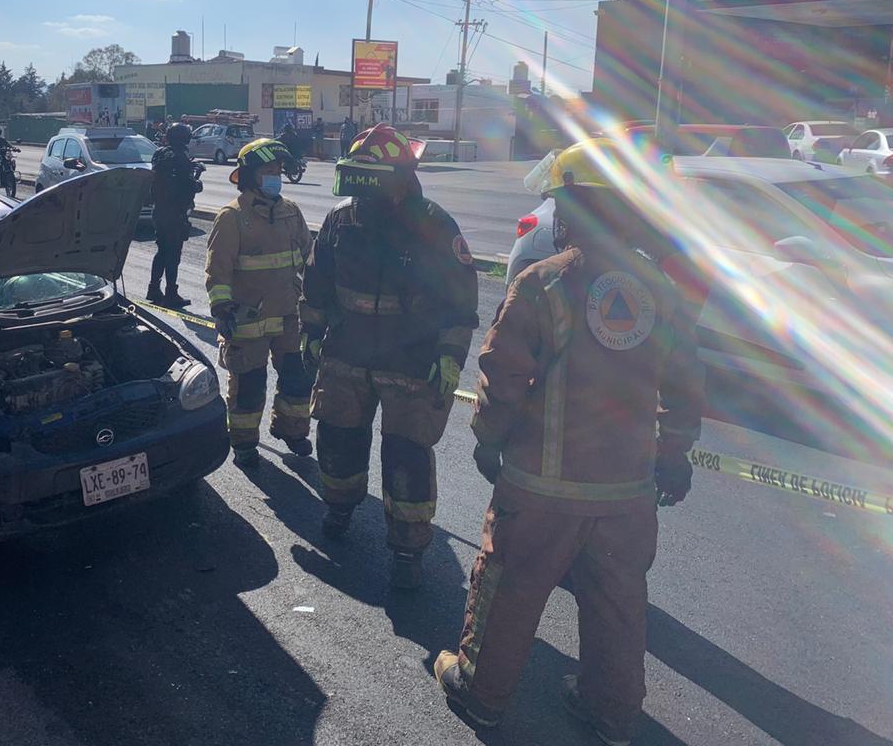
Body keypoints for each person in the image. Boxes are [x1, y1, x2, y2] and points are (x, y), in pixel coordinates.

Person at [434, 139, 704, 744]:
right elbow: (686, 385)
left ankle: (481, 695)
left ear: (578, 209)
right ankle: (611, 714)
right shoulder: (659, 290)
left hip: (541, 493)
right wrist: (675, 456)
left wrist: (486, 440)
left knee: (509, 590)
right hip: (627, 495)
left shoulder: (542, 284)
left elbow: (502, 377)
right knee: (616, 602)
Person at [301, 123, 479, 589]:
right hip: (347, 353)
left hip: (412, 360)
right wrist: (312, 329)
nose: (360, 191)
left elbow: (460, 301)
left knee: (407, 456)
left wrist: (449, 355)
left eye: (368, 179)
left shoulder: (435, 225)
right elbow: (317, 277)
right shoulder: (342, 219)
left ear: (400, 177)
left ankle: (407, 550)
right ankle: (338, 509)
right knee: (338, 439)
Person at [206, 138, 314, 468]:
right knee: (249, 386)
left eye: (278, 170)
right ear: (251, 175)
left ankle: (292, 431)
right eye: (268, 171)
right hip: (247, 320)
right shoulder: (232, 218)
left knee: (298, 378)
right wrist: (222, 309)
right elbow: (218, 271)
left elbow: (310, 260)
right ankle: (244, 443)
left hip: (290, 316)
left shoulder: (290, 212)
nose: (275, 176)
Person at [148, 123, 202, 309]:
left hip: (159, 211)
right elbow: (188, 185)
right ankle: (171, 293)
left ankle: (153, 289)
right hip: (174, 213)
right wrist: (197, 182)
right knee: (173, 254)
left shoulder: (160, 154)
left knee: (162, 250)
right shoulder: (180, 157)